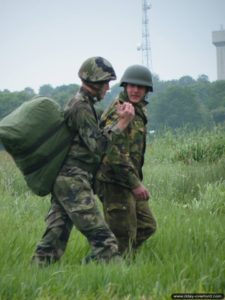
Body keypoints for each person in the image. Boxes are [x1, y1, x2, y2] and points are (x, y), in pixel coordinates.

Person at [32, 57, 135, 266]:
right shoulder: (80, 106)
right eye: (105, 82)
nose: (108, 87)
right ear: (94, 81)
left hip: (69, 179)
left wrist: (116, 122)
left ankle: (35, 274)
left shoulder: (85, 104)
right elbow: (97, 146)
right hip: (72, 180)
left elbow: (92, 140)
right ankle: (122, 285)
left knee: (54, 238)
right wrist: (122, 123)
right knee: (103, 239)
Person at [95, 65, 157, 255]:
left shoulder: (137, 111)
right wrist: (135, 184)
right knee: (122, 235)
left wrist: (134, 181)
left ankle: (121, 257)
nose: (135, 90)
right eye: (131, 86)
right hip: (114, 180)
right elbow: (113, 154)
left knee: (146, 225)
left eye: (140, 87)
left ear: (147, 90)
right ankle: (107, 265)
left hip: (127, 179)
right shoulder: (119, 111)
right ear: (125, 86)